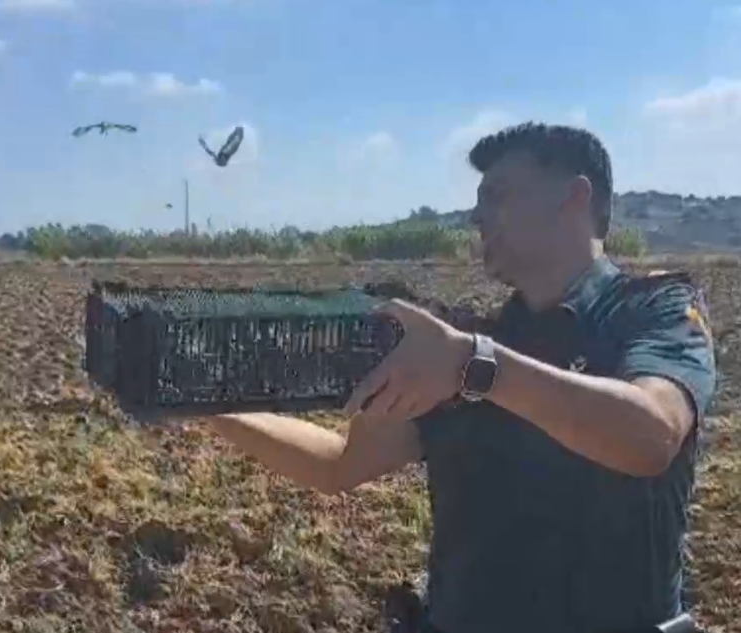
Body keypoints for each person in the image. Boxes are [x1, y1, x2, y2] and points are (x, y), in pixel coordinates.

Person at [204, 122, 717, 633]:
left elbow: (651, 435)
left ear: (574, 197)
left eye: (497, 195)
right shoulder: (463, 346)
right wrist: (209, 403)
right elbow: (339, 464)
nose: (476, 217)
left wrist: (476, 367)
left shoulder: (651, 310)